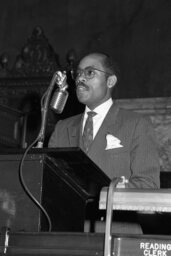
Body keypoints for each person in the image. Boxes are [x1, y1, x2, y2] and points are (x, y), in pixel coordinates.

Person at [48, 52, 160, 234]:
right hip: (66, 232)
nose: (80, 79)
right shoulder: (62, 128)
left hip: (116, 231)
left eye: (90, 72)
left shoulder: (136, 124)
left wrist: (108, 190)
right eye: (78, 73)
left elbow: (148, 185)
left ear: (110, 81)